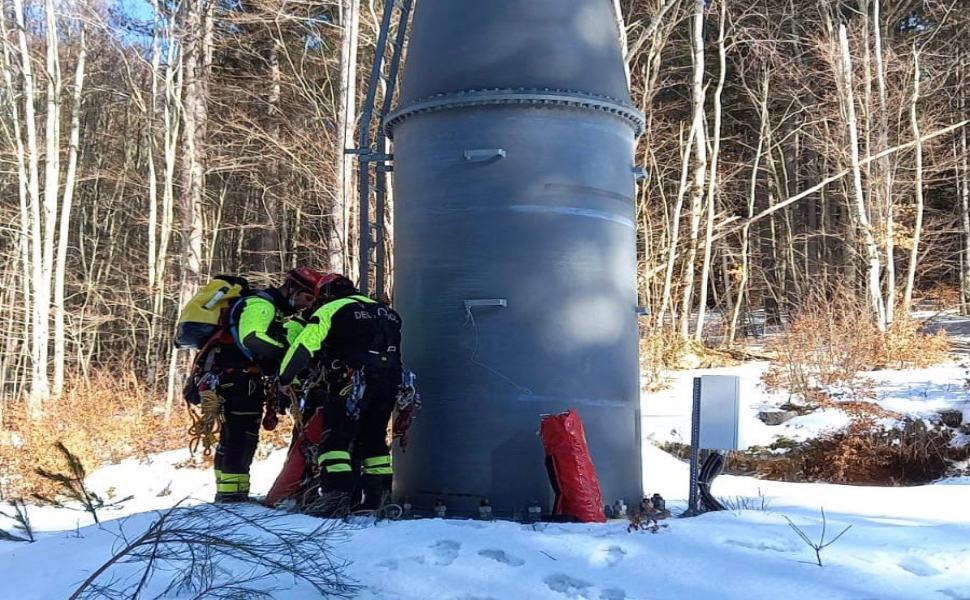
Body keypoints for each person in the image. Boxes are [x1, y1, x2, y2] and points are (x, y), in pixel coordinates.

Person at [278, 274, 403, 513]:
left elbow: (305, 345)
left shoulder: (331, 309)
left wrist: (285, 378)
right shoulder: (389, 313)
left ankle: (335, 499)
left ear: (326, 294)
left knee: (335, 441)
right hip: (388, 383)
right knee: (374, 440)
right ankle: (380, 499)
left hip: (350, 382)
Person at [206, 267, 324, 502]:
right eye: (306, 297)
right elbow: (253, 337)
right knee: (242, 435)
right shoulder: (262, 305)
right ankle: (233, 497)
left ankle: (228, 492)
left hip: (235, 378)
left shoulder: (271, 309)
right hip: (240, 380)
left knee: (233, 435)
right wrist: (286, 356)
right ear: (292, 289)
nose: (305, 304)